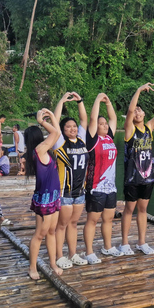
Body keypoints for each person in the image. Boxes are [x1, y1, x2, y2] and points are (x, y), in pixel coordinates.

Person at [120, 82, 154, 256]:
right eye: (135, 111)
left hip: (147, 176)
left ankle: (141, 242)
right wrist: (138, 90)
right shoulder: (129, 129)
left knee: (142, 210)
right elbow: (130, 111)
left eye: (141, 110)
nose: (137, 112)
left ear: (145, 114)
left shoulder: (149, 128)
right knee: (129, 209)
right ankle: (125, 243)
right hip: (133, 177)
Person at [24, 108, 63, 280]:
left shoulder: (45, 151)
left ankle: (53, 263)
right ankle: (32, 267)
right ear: (38, 138)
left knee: (52, 231)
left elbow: (57, 132)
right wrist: (42, 120)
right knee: (40, 234)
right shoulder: (39, 150)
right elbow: (55, 132)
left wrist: (53, 116)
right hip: (45, 200)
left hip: (54, 197)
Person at [52, 92, 89, 269]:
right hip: (64, 191)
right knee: (62, 225)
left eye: (74, 126)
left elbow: (84, 120)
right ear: (63, 130)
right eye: (68, 127)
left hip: (80, 191)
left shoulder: (81, 140)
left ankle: (73, 254)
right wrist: (61, 101)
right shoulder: (59, 142)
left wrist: (79, 101)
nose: (73, 129)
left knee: (73, 223)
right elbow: (55, 121)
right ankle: (59, 256)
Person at [82, 93, 120, 264]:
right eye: (101, 124)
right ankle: (89, 252)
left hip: (110, 187)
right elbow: (92, 118)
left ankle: (107, 246)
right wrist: (97, 100)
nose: (105, 125)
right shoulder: (92, 140)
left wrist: (109, 102)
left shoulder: (110, 138)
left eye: (105, 124)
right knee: (93, 220)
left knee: (109, 218)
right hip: (96, 186)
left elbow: (113, 117)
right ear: (95, 126)